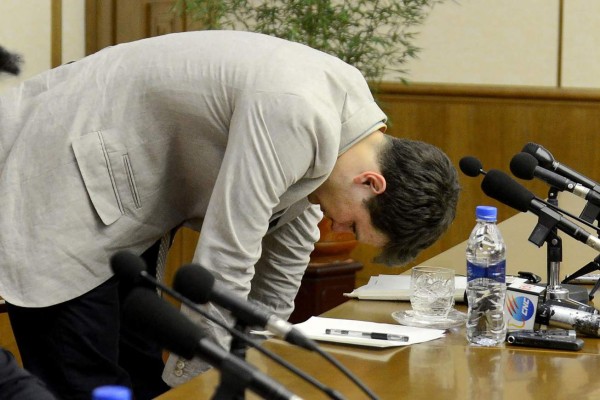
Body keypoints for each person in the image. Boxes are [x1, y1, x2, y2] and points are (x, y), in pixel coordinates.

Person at [0, 30, 460, 399]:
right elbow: (226, 255)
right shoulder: (298, 112)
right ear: (371, 183)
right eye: (354, 224)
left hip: (120, 198)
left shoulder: (348, 134)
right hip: (63, 173)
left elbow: (284, 263)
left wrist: (254, 357)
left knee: (138, 371)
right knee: (86, 378)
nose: (337, 230)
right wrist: (202, 385)